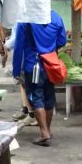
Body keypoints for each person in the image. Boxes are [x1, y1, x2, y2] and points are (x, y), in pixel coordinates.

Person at [12, 9, 67, 147]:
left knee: (36, 98)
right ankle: (47, 129)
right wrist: (49, 49)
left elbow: (18, 47)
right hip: (50, 65)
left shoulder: (25, 20)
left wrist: (16, 70)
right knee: (49, 97)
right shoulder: (56, 17)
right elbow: (62, 40)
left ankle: (44, 133)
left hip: (33, 65)